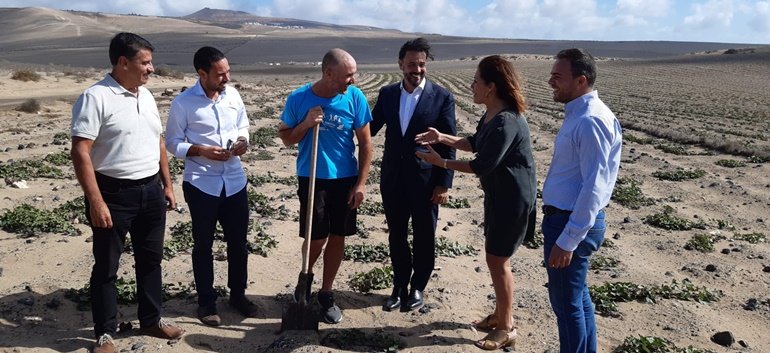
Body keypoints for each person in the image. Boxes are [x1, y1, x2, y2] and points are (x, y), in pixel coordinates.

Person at [70, 32, 183, 353]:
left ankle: (151, 319)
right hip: (113, 194)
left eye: (151, 62)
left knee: (151, 260)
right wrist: (96, 202)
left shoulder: (145, 96)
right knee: (106, 267)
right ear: (123, 62)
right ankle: (104, 333)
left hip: (151, 191)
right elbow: (80, 151)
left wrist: (167, 185)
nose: (151, 69)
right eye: (145, 63)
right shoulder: (96, 97)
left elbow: (158, 141)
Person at [415, 55, 537, 351]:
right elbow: (474, 142)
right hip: (499, 196)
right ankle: (500, 314)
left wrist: (441, 162)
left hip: (512, 200)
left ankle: (506, 327)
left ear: (491, 87)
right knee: (495, 257)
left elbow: (482, 164)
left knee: (498, 260)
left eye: (476, 81)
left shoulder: (506, 121)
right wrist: (442, 137)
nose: (471, 86)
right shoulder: (493, 115)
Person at [278, 48, 372, 324]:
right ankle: (305, 279)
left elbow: (366, 143)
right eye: (348, 75)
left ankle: (326, 292)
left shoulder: (355, 97)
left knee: (338, 235)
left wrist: (361, 183)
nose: (353, 80)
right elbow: (286, 138)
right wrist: (306, 124)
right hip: (312, 176)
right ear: (329, 73)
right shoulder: (298, 98)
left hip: (345, 178)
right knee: (316, 237)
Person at [165, 46, 258, 327]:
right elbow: (172, 143)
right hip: (201, 183)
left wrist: (242, 142)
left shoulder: (233, 96)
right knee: (203, 244)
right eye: (220, 74)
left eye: (228, 72)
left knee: (238, 243)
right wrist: (200, 150)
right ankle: (206, 302)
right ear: (202, 73)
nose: (226, 78)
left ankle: (238, 295)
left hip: (235, 181)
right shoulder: (183, 103)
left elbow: (243, 125)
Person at [542, 48, 622, 353]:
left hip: (569, 221)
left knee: (566, 305)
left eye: (557, 76)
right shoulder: (581, 114)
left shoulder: (590, 120)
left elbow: (594, 186)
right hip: (566, 219)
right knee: (577, 298)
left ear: (581, 80)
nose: (550, 81)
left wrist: (569, 239)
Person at [370, 37, 456, 312]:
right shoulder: (387, 94)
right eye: (411, 64)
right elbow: (370, 128)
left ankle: (418, 287)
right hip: (393, 179)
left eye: (421, 64)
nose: (416, 70)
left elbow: (448, 142)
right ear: (400, 64)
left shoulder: (441, 97)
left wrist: (443, 183)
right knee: (396, 235)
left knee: (424, 236)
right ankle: (398, 286)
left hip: (426, 181)